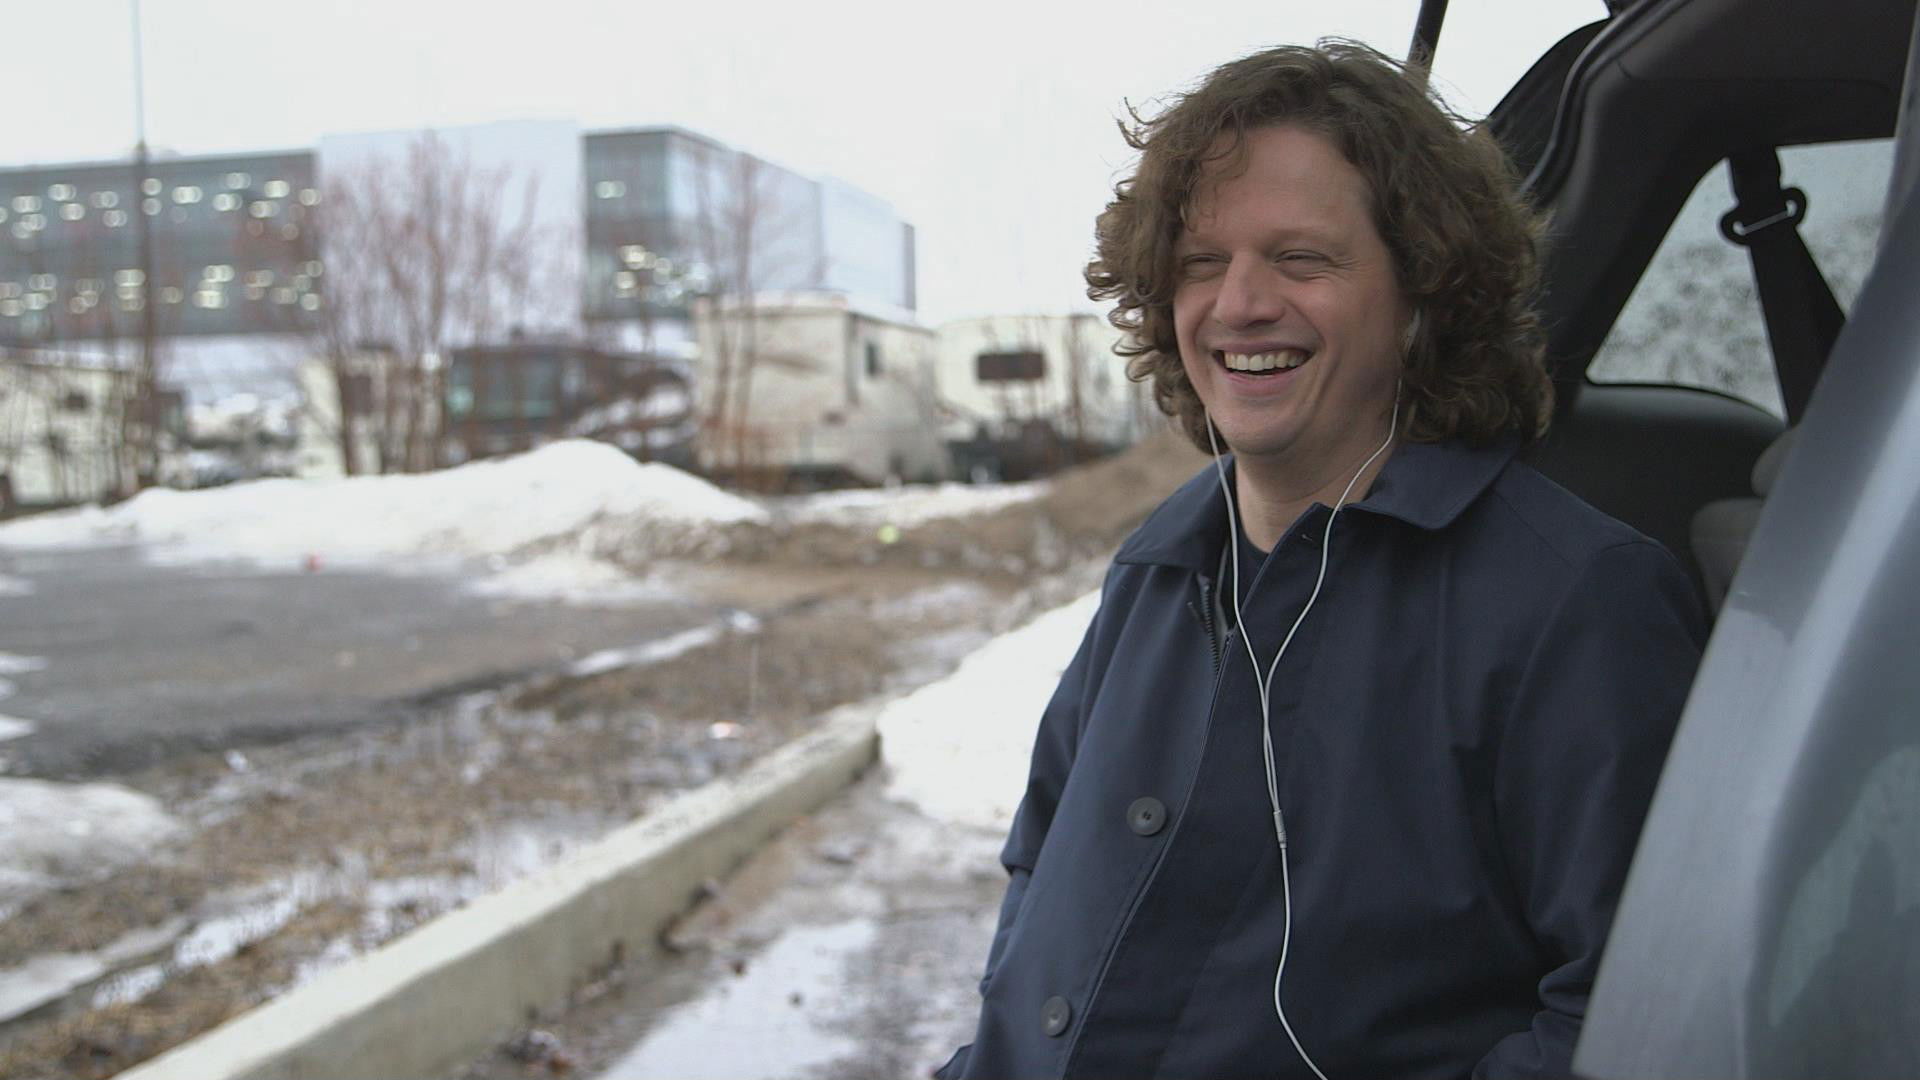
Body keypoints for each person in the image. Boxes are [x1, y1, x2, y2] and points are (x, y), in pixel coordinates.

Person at [936, 40, 1705, 1080]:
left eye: (1301, 259)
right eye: (1200, 264)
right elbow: (1041, 876)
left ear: (1426, 291)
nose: (1240, 303)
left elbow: (1635, 1021)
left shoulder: (1579, 602)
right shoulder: (1156, 571)